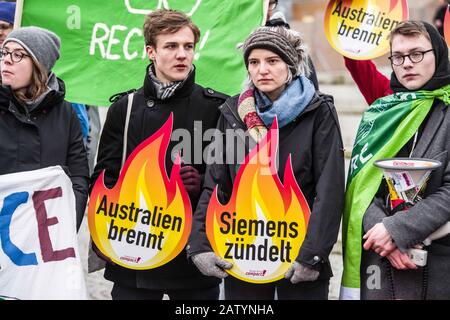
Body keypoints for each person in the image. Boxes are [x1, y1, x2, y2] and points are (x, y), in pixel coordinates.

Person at [188, 25, 345, 300]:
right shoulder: (233, 112)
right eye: (254, 62)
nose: (262, 70)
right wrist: (200, 244)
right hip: (243, 251)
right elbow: (215, 183)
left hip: (296, 255)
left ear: (290, 65)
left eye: (272, 61)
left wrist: (313, 255)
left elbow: (330, 189)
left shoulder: (318, 111)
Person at [90, 9, 228, 300]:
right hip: (135, 253)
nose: (182, 54)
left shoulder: (217, 108)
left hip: (192, 258)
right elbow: (103, 179)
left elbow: (232, 181)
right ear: (151, 51)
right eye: (171, 46)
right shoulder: (124, 108)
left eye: (188, 46)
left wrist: (201, 181)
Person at [342, 21, 450, 300]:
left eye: (416, 54)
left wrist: (397, 230)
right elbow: (364, 186)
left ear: (437, 54)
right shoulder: (384, 111)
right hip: (381, 262)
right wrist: (384, 236)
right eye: (398, 57)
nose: (407, 64)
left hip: (438, 265)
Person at [0, 26, 89, 231]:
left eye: (18, 54)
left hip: (45, 239)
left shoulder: (66, 114)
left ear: (39, 64)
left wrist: (63, 229)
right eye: (4, 52)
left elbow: (78, 178)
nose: (6, 59)